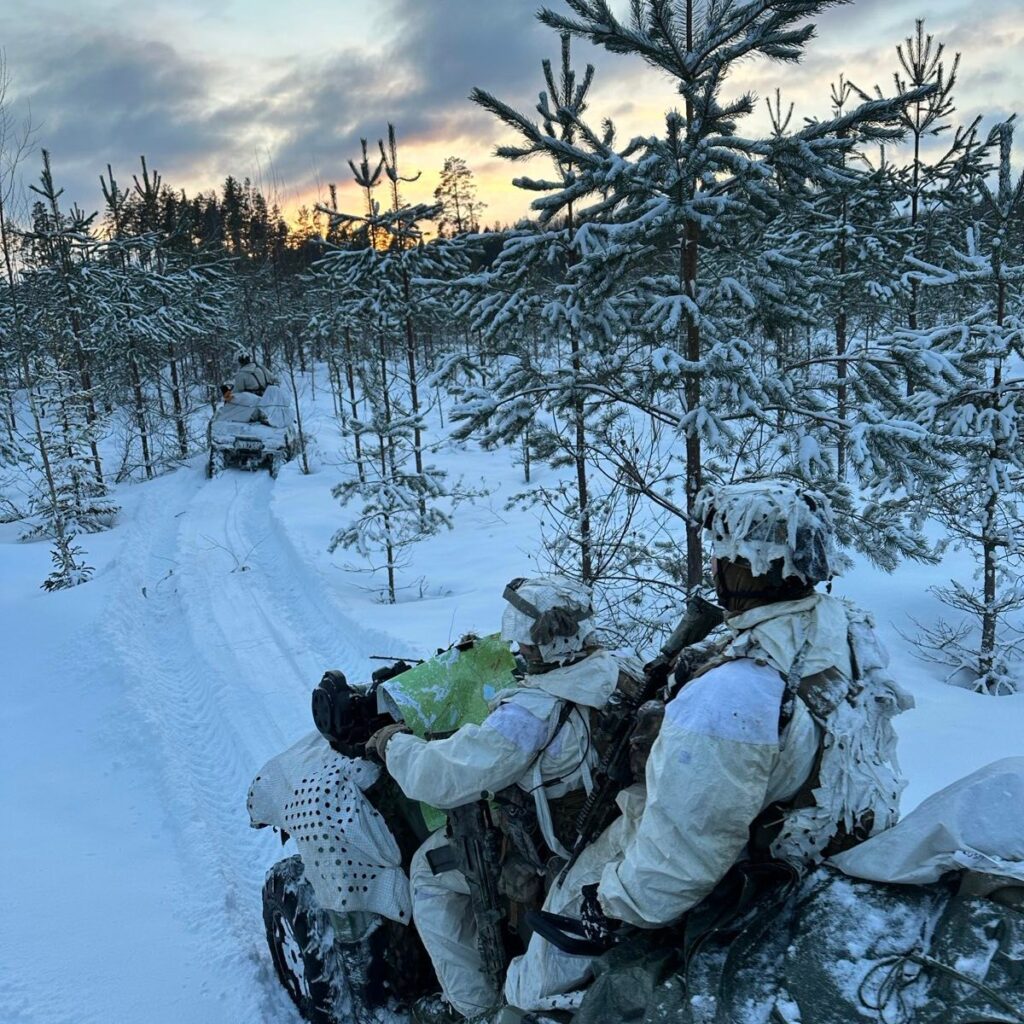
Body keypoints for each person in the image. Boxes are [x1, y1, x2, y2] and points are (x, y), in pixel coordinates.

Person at [504, 480, 914, 1013]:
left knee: (545, 963)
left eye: (723, 554)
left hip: (750, 867)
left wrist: (608, 904)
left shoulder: (734, 691)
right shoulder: (842, 628)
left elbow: (683, 855)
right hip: (828, 844)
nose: (715, 567)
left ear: (750, 565)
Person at [366, 576, 643, 1022]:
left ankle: (474, 1008)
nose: (520, 653)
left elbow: (438, 776)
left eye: (526, 644)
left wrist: (393, 743)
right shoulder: (627, 672)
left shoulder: (531, 715)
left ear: (542, 645)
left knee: (428, 872)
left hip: (552, 853)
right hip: (609, 830)